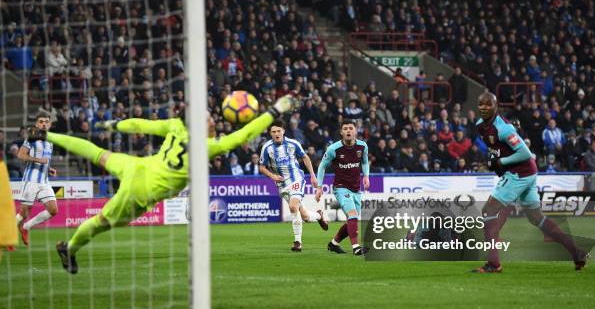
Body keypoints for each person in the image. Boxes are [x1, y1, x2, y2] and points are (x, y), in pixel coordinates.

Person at [50, 95, 298, 274]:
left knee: (98, 154)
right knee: (101, 224)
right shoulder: (207, 146)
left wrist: (112, 125)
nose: (212, 122)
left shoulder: (176, 126)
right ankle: (69, 248)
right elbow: (243, 135)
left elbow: (140, 125)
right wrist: (274, 111)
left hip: (137, 166)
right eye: (209, 120)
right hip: (141, 191)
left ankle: (46, 135)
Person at [474, 92, 587, 273]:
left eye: (488, 104)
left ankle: (493, 264)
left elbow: (526, 154)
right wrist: (495, 161)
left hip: (520, 173)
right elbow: (494, 148)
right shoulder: (481, 126)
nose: (484, 107)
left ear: (496, 107)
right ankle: (577, 252)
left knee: (488, 210)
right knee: (536, 218)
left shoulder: (504, 129)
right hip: (528, 172)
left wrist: (501, 162)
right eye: (481, 104)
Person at [259, 120, 328, 252]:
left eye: (279, 131)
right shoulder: (267, 148)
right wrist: (272, 176)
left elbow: (305, 158)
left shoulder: (293, 143)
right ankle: (319, 216)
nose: (276, 133)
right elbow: (262, 167)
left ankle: (297, 242)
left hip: (296, 179)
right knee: (306, 217)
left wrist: (313, 176)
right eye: (273, 132)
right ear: (270, 133)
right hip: (281, 184)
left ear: (283, 131)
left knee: (292, 206)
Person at [315, 119, 370, 255]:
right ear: (341, 132)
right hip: (340, 187)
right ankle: (356, 247)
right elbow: (322, 166)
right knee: (352, 214)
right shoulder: (334, 149)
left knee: (353, 220)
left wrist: (366, 176)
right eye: (345, 129)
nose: (348, 131)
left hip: (356, 188)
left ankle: (333, 244)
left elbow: (364, 162)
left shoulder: (362, 146)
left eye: (351, 128)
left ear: (355, 130)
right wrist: (319, 186)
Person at [15, 112, 59, 246]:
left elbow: (46, 159)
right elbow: (21, 155)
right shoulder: (31, 139)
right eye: (41, 121)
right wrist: (39, 160)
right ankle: (5, 235)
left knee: (53, 210)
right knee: (23, 213)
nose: (44, 124)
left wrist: (49, 168)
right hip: (31, 180)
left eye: (46, 121)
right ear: (36, 124)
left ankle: (26, 227)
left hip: (44, 181)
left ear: (50, 124)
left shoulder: (50, 141)